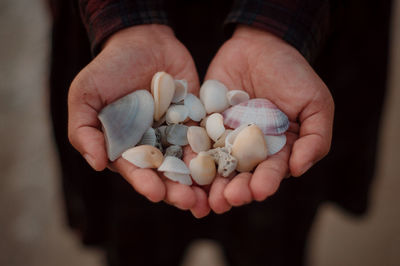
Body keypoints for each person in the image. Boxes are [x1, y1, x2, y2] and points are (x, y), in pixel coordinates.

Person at [49, 0, 392, 265]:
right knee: (136, 239)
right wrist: (124, 20)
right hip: (131, 46)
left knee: (272, 240)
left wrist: (276, 23)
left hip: (301, 36)